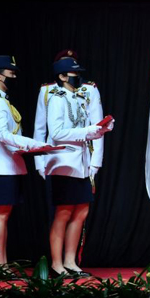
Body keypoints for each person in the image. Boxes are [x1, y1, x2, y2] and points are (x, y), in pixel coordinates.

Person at [45, 57, 113, 277]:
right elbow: (56, 133)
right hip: (64, 163)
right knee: (63, 212)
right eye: (74, 74)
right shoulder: (56, 99)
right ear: (62, 77)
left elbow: (84, 128)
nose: (79, 78)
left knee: (82, 210)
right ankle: (56, 264)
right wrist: (87, 132)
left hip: (81, 164)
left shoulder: (78, 98)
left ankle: (71, 261)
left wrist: (99, 129)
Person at [0, 55, 48, 266]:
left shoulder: (2, 100)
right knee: (1, 215)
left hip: (11, 166)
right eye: (11, 73)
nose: (14, 76)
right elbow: (3, 135)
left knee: (5, 215)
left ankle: (3, 262)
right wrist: (33, 144)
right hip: (2, 168)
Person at [34, 50, 104, 223]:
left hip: (82, 160)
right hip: (56, 160)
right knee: (59, 212)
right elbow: (40, 129)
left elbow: (97, 127)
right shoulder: (47, 91)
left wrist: (95, 162)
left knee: (81, 210)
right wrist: (40, 164)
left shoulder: (89, 89)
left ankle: (73, 251)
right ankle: (57, 251)